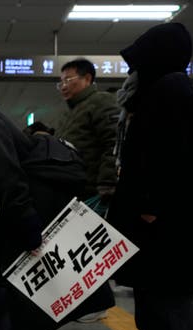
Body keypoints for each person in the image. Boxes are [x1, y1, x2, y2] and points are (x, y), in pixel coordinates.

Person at [108, 23, 193, 330]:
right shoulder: (157, 90)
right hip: (156, 207)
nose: (131, 68)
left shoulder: (171, 88)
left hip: (167, 211)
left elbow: (171, 154)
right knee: (150, 277)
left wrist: (152, 202)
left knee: (171, 281)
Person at [55, 58, 120, 216]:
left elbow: (113, 142)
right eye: (61, 82)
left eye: (69, 80)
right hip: (74, 191)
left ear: (87, 78)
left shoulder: (101, 101)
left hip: (94, 191)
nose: (64, 86)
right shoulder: (69, 113)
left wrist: (107, 182)